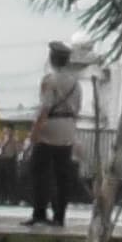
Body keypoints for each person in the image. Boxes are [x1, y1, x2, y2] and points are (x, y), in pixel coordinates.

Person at [26, 38, 83, 228]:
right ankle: (60, 215)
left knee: (39, 171)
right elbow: (78, 109)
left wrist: (34, 132)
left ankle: (39, 212)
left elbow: (45, 108)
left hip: (49, 128)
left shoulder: (49, 80)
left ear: (51, 59)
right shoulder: (76, 83)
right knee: (62, 175)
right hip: (67, 128)